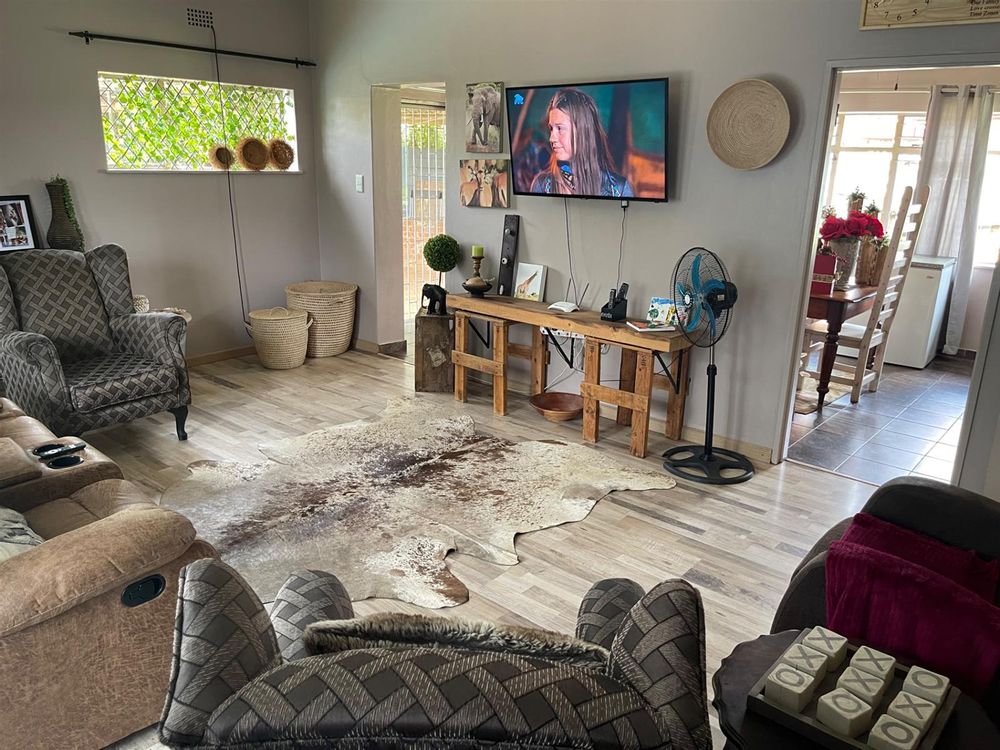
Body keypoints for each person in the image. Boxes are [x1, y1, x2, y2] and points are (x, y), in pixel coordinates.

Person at [529, 88, 634, 198]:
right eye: (551, 129)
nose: (551, 138)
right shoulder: (542, 185)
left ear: (582, 132)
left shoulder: (619, 189)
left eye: (559, 128)